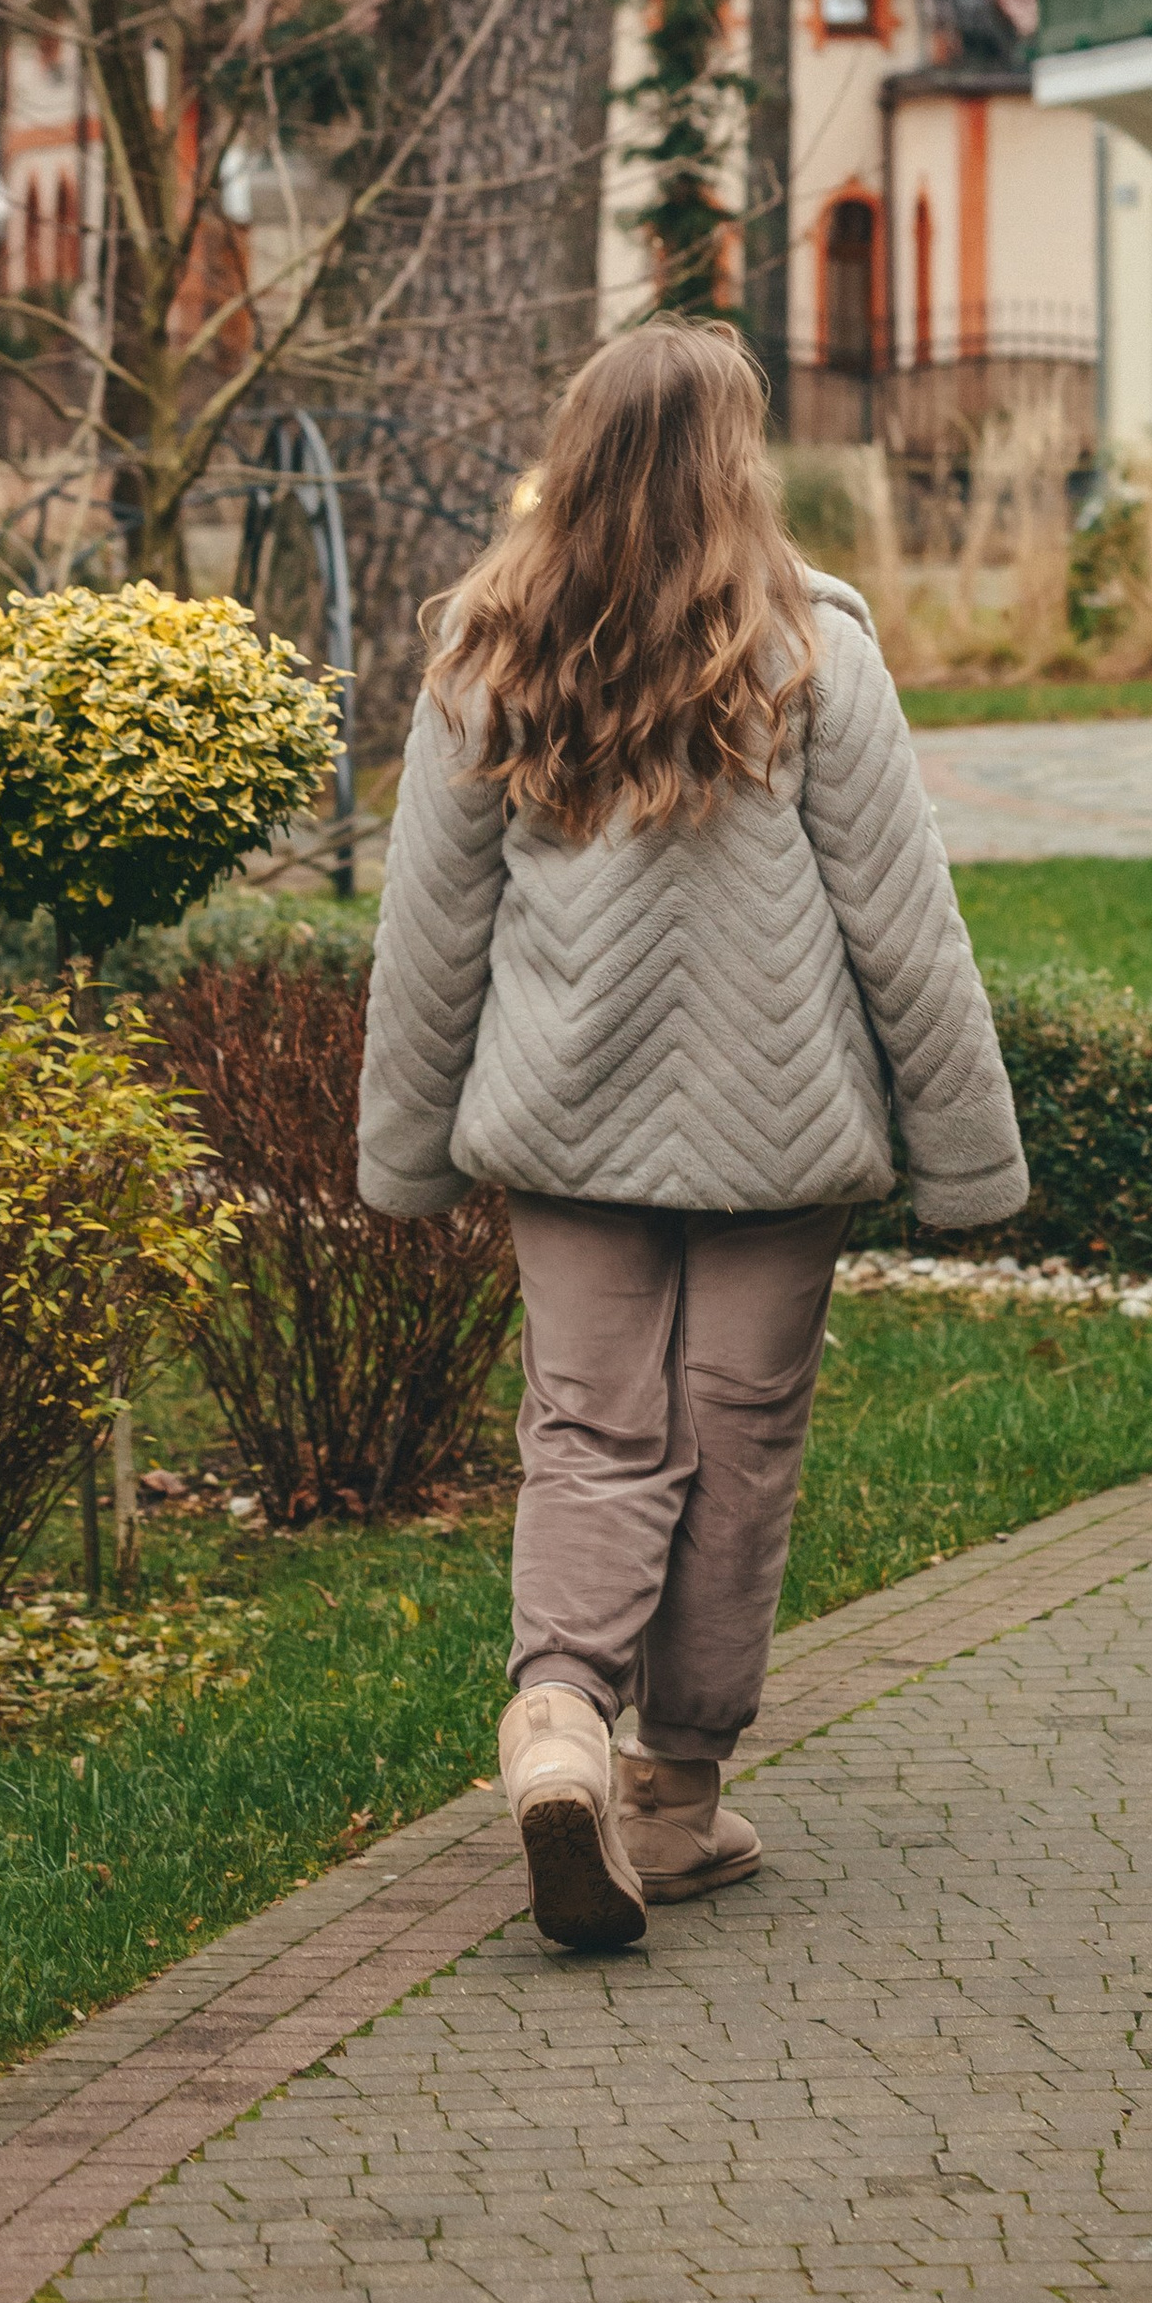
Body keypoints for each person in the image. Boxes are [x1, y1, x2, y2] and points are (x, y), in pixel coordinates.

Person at [358, 319, 1026, 1953]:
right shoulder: (811, 655)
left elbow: (430, 937)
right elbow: (903, 930)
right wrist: (967, 1159)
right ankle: (672, 1793)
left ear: (574, 449)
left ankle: (558, 1726)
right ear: (740, 463)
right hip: (777, 1139)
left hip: (565, 1128)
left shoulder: (483, 654)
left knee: (588, 1430)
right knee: (736, 1445)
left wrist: (406, 1148)